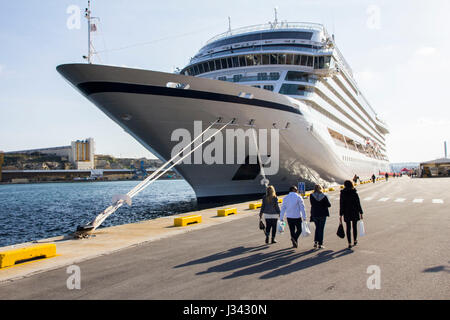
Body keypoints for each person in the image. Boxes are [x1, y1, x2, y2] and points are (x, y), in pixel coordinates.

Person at [339, 180, 363, 249]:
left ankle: (349, 243)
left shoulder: (343, 193)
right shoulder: (354, 193)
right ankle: (355, 240)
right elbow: (358, 203)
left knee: (348, 228)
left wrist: (340, 214)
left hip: (347, 212)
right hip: (354, 212)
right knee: (354, 227)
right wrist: (361, 212)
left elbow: (341, 204)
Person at [310, 184, 331, 249]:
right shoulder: (324, 196)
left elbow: (312, 204)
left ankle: (315, 242)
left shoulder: (311, 196)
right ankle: (320, 244)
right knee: (321, 229)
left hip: (315, 214)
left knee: (317, 228)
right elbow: (329, 205)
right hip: (322, 214)